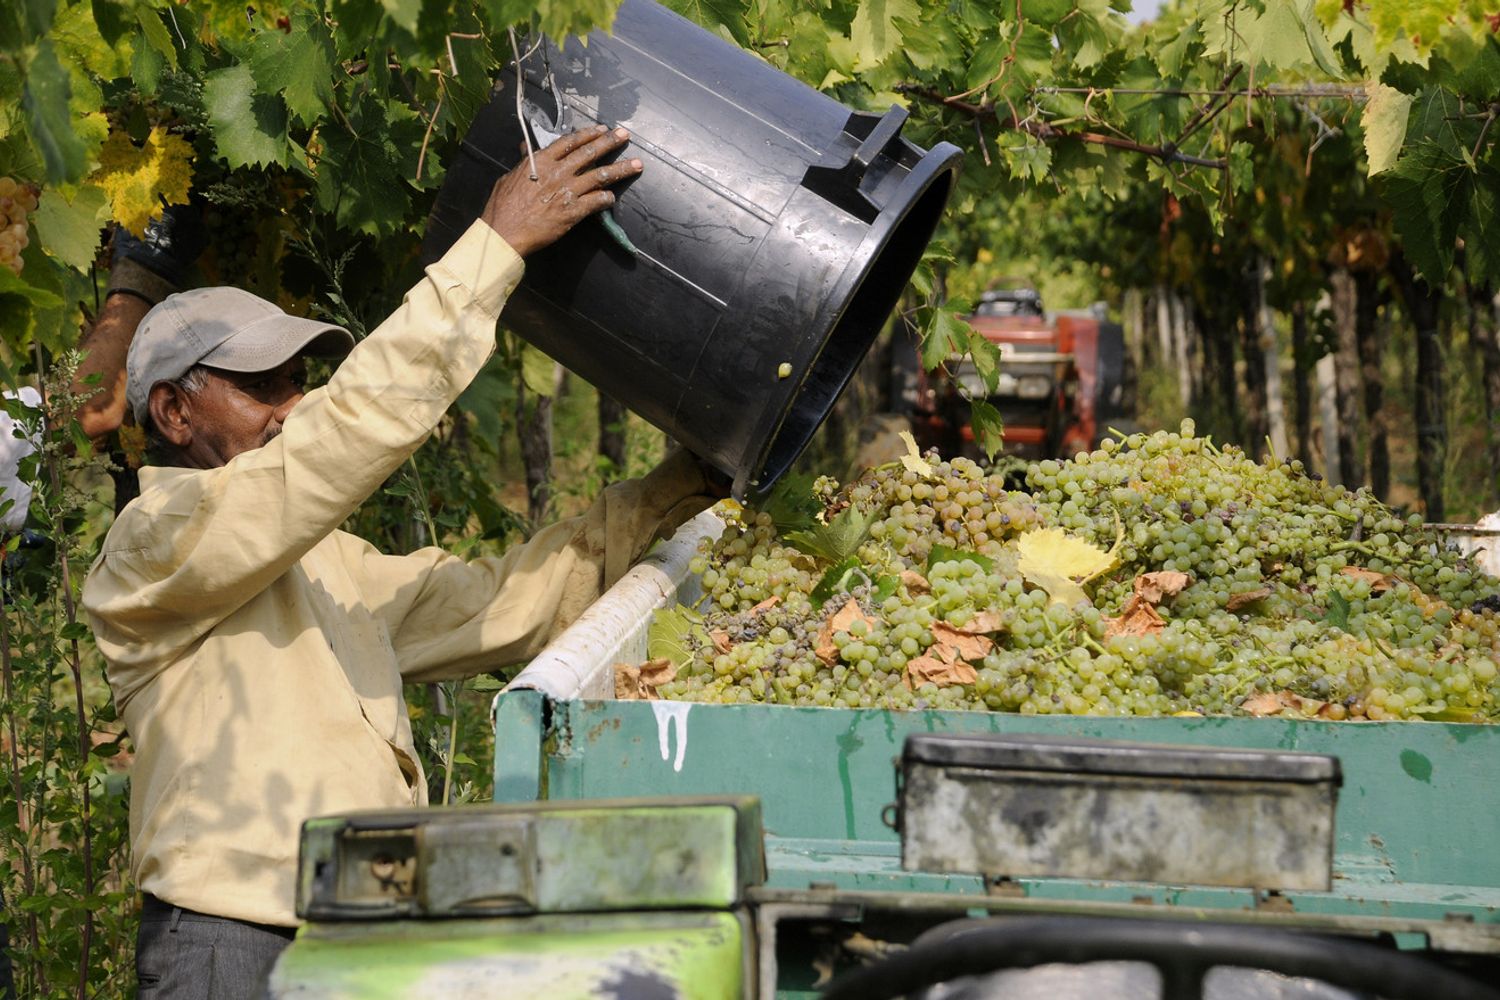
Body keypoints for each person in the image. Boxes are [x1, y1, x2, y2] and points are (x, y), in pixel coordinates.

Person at [81, 127, 717, 997]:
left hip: (362, 939)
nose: (293, 404)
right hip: (233, 944)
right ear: (174, 413)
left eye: (300, 379)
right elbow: (337, 443)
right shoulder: (155, 540)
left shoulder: (322, 563)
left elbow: (499, 604)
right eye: (261, 383)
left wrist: (676, 488)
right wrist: (491, 251)